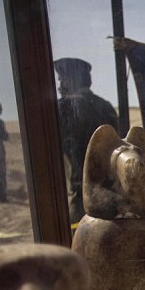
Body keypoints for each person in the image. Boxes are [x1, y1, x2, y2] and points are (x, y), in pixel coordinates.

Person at [54, 57, 118, 222]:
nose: (59, 85)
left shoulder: (66, 106)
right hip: (111, 191)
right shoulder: (105, 105)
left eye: (62, 79)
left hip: (83, 193)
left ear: (71, 79)